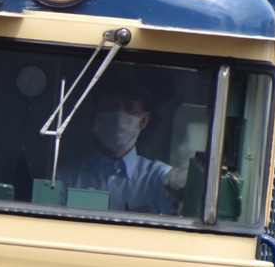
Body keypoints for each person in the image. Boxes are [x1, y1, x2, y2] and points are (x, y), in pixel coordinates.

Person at [62, 80, 186, 216]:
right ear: (96, 114)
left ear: (144, 120)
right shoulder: (66, 179)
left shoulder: (159, 178)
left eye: (129, 108)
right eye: (110, 106)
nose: (119, 116)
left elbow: (180, 198)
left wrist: (182, 184)